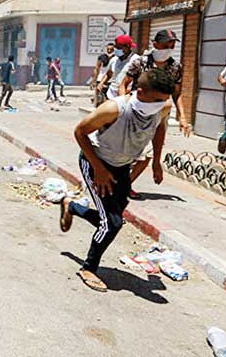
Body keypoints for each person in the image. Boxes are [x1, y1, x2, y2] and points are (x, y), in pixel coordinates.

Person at [57, 68, 173, 292]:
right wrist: (99, 169)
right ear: (140, 91)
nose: (161, 104)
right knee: (112, 223)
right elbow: (80, 132)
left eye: (165, 100)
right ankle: (89, 268)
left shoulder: (163, 107)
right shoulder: (114, 109)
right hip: (96, 163)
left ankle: (71, 206)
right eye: (157, 99)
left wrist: (157, 162)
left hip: (122, 166)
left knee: (112, 218)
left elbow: (160, 129)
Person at [119, 30, 190, 136]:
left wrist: (182, 117)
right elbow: (123, 85)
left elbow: (176, 93)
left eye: (172, 46)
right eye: (165, 45)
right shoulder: (140, 62)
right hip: (138, 109)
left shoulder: (175, 67)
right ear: (155, 44)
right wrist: (124, 108)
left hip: (161, 110)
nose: (169, 49)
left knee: (159, 136)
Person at [98, 35, 137, 102]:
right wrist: (101, 83)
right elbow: (109, 74)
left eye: (119, 47)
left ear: (127, 47)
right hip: (110, 95)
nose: (116, 49)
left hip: (126, 97)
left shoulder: (136, 60)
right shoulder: (114, 60)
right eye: (116, 47)